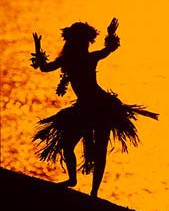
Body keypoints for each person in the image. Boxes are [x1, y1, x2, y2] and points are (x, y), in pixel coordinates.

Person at [31, 18, 158, 197]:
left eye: (84, 42)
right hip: (83, 108)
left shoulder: (89, 58)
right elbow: (44, 67)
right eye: (80, 42)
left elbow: (108, 50)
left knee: (100, 150)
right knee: (67, 145)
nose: (84, 46)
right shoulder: (67, 60)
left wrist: (111, 34)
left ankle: (94, 192)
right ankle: (73, 179)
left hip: (101, 108)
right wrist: (37, 47)